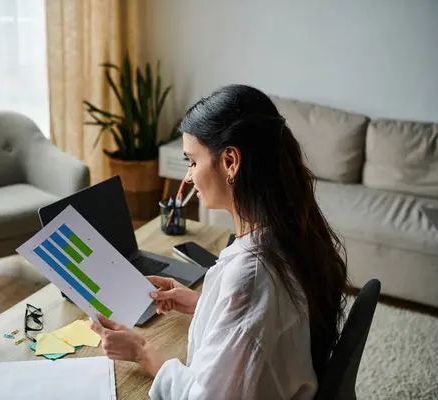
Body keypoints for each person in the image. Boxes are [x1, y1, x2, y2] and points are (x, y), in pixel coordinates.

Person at [90, 84, 349, 399]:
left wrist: (143, 351)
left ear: (230, 162)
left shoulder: (250, 277)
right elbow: (259, 327)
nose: (188, 177)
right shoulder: (289, 233)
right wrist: (204, 305)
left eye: (192, 161)